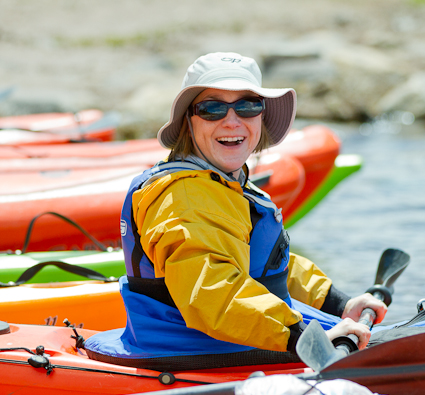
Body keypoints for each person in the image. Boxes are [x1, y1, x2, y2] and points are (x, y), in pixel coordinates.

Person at [84, 52, 387, 368]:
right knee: (383, 351)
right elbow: (213, 293)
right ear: (189, 121)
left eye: (247, 106)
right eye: (212, 109)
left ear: (260, 117)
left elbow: (265, 262)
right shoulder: (183, 196)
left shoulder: (224, 183)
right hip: (192, 348)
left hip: (240, 333)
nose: (232, 120)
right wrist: (303, 338)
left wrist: (341, 304)